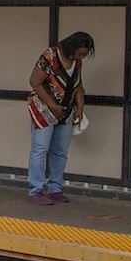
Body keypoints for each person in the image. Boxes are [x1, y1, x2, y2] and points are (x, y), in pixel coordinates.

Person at [26, 31, 95, 205]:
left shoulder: (76, 62)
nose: (81, 57)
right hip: (44, 109)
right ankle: (36, 190)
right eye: (80, 53)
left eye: (84, 55)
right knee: (40, 149)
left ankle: (56, 188)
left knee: (60, 152)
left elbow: (78, 86)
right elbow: (35, 81)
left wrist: (80, 108)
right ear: (72, 47)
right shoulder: (50, 56)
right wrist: (52, 105)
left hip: (66, 111)